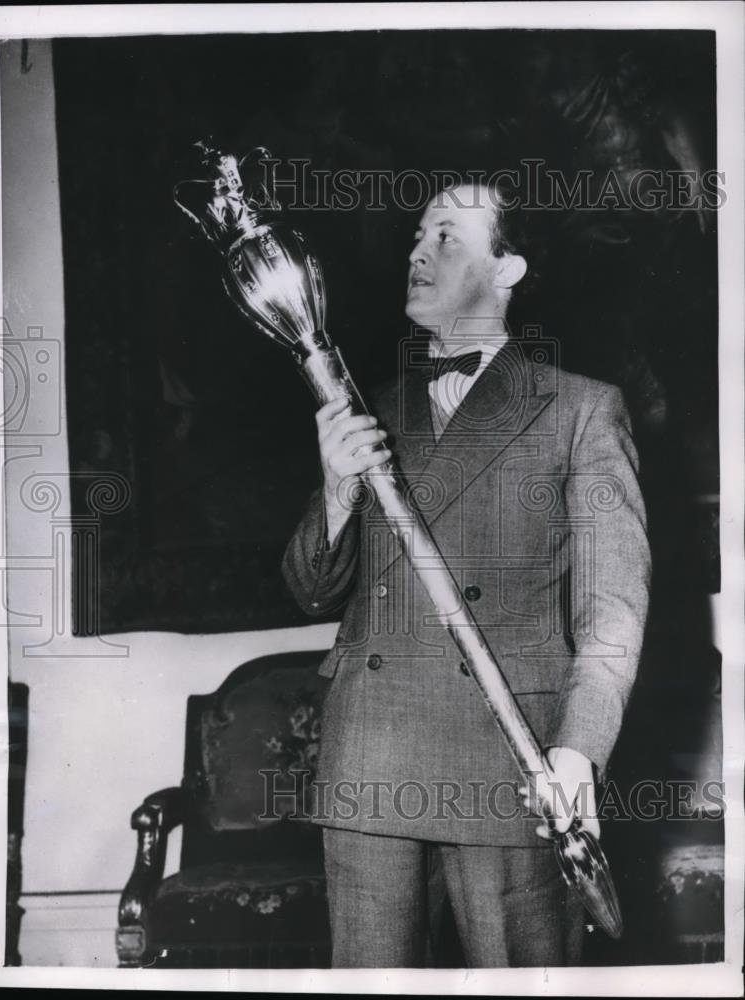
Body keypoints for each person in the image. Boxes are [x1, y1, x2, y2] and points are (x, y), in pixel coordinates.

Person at [282, 178, 651, 967]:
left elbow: (612, 605)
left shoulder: (582, 409)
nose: (418, 251)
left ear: (507, 268)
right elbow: (310, 588)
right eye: (417, 236)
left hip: (513, 761)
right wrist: (339, 492)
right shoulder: (366, 408)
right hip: (371, 761)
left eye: (447, 235)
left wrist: (579, 750)